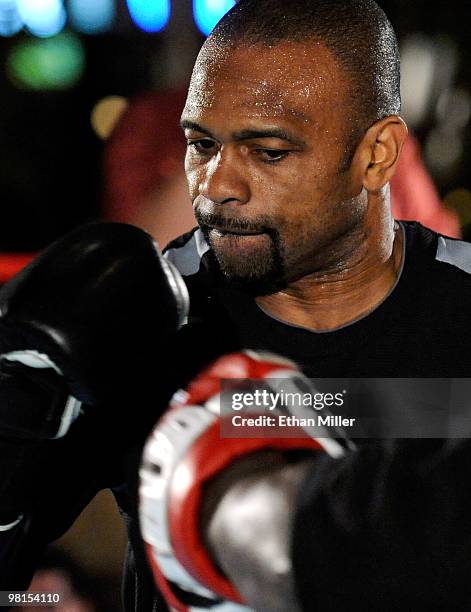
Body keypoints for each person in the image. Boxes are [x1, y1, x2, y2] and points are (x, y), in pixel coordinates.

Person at [1, 1, 471, 612]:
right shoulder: (147, 314)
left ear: (377, 155)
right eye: (200, 145)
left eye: (269, 151)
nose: (219, 184)